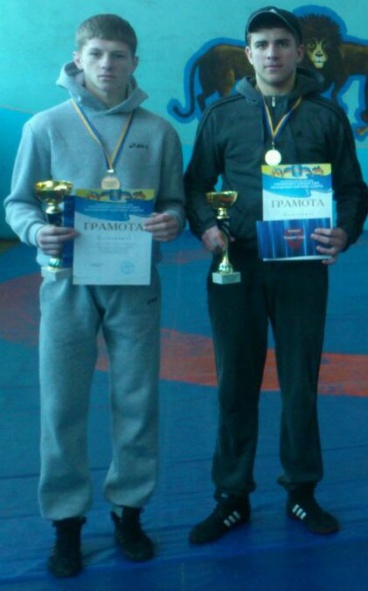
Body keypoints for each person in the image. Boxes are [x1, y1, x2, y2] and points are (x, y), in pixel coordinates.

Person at [3, 14, 184, 577]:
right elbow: (18, 203)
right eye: (98, 54)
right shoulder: (45, 126)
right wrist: (36, 231)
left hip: (135, 283)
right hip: (65, 283)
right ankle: (66, 521)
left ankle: (129, 511)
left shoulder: (158, 132)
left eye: (119, 55)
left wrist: (171, 222)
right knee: (62, 404)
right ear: (78, 59)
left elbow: (175, 202)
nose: (108, 64)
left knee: (137, 400)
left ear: (135, 63)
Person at [183, 6, 368, 543]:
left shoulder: (326, 116)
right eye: (262, 44)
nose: (272, 53)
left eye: (282, 43)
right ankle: (232, 495)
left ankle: (302, 491)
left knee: (300, 383)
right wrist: (207, 227)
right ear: (248, 54)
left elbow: (353, 190)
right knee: (234, 383)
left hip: (302, 268)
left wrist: (344, 232)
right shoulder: (221, 115)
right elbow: (197, 185)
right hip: (236, 265)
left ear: (299, 51)